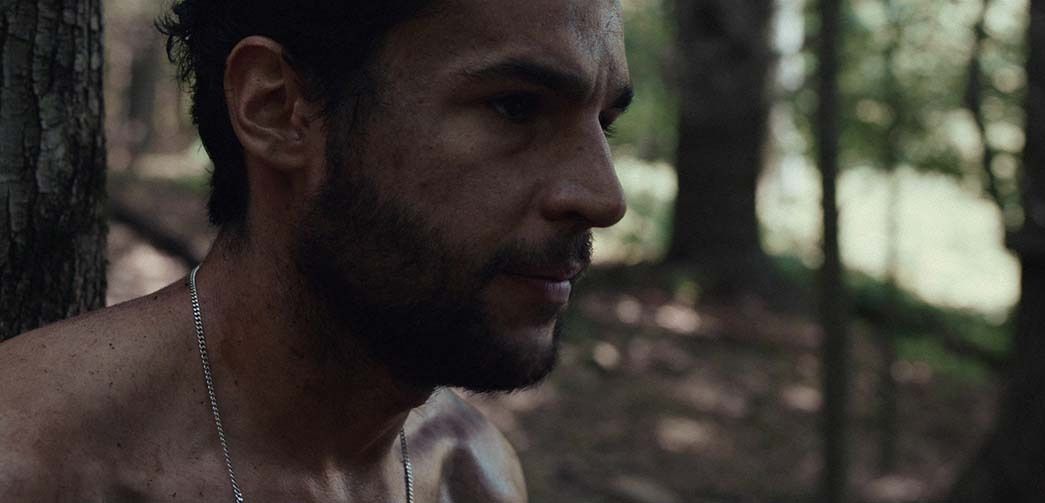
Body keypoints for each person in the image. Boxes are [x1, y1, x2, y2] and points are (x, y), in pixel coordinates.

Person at [0, 0, 632, 500]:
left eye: (604, 122)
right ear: (277, 108)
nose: (606, 198)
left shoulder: (472, 475)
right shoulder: (33, 466)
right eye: (515, 107)